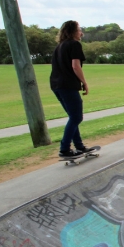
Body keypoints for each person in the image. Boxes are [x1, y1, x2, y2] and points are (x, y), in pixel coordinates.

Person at [50, 20, 90, 158]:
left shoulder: (59, 47)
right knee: (76, 117)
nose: (81, 32)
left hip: (56, 85)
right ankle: (64, 149)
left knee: (73, 117)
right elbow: (75, 66)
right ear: (72, 31)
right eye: (79, 29)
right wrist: (84, 82)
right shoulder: (74, 45)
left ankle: (79, 147)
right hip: (68, 85)